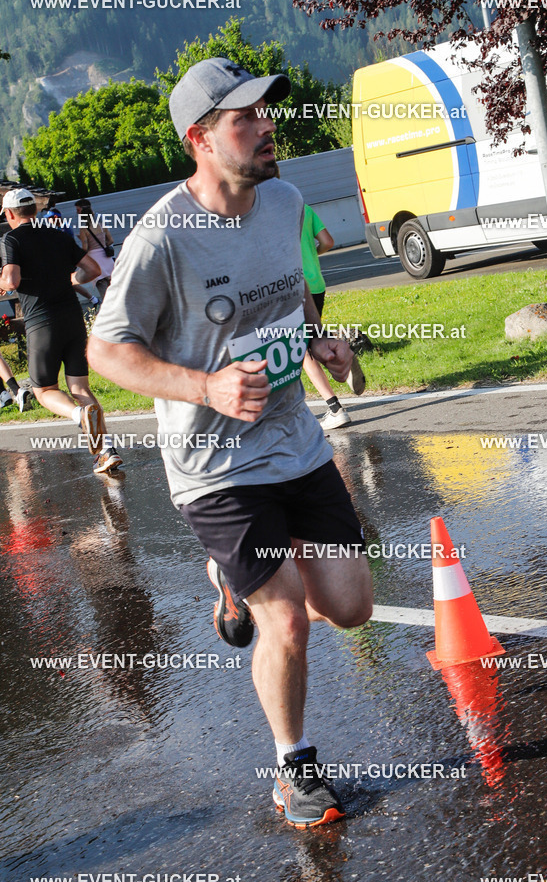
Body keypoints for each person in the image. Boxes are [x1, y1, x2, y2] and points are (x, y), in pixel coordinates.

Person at [87, 57, 373, 827]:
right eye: (244, 118)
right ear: (200, 140)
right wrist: (204, 386)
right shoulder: (161, 239)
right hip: (213, 463)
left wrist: (319, 344)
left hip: (296, 442)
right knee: (283, 617)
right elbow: (106, 353)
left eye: (266, 111)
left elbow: (289, 296)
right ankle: (294, 768)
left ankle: (228, 577)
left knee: (349, 607)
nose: (267, 125)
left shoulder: (281, 201)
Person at [0, 188, 122, 473]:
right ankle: (106, 450)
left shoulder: (12, 238)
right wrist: (65, 278)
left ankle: (79, 414)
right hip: (73, 318)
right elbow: (91, 270)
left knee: (44, 390)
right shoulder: (57, 235)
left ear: (9, 214)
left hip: (42, 323)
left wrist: (3, 282)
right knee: (80, 387)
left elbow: (13, 280)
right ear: (36, 209)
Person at [300, 203, 365, 429]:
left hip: (291, 286)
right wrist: (312, 254)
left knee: (304, 350)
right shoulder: (302, 207)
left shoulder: (262, 209)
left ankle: (335, 409)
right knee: (313, 339)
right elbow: (327, 241)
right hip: (316, 283)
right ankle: (340, 351)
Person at [75, 199, 115, 299]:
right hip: (107, 261)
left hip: (95, 263)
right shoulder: (101, 225)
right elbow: (110, 241)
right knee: (115, 290)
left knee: (105, 295)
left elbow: (85, 248)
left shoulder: (84, 229)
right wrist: (102, 245)